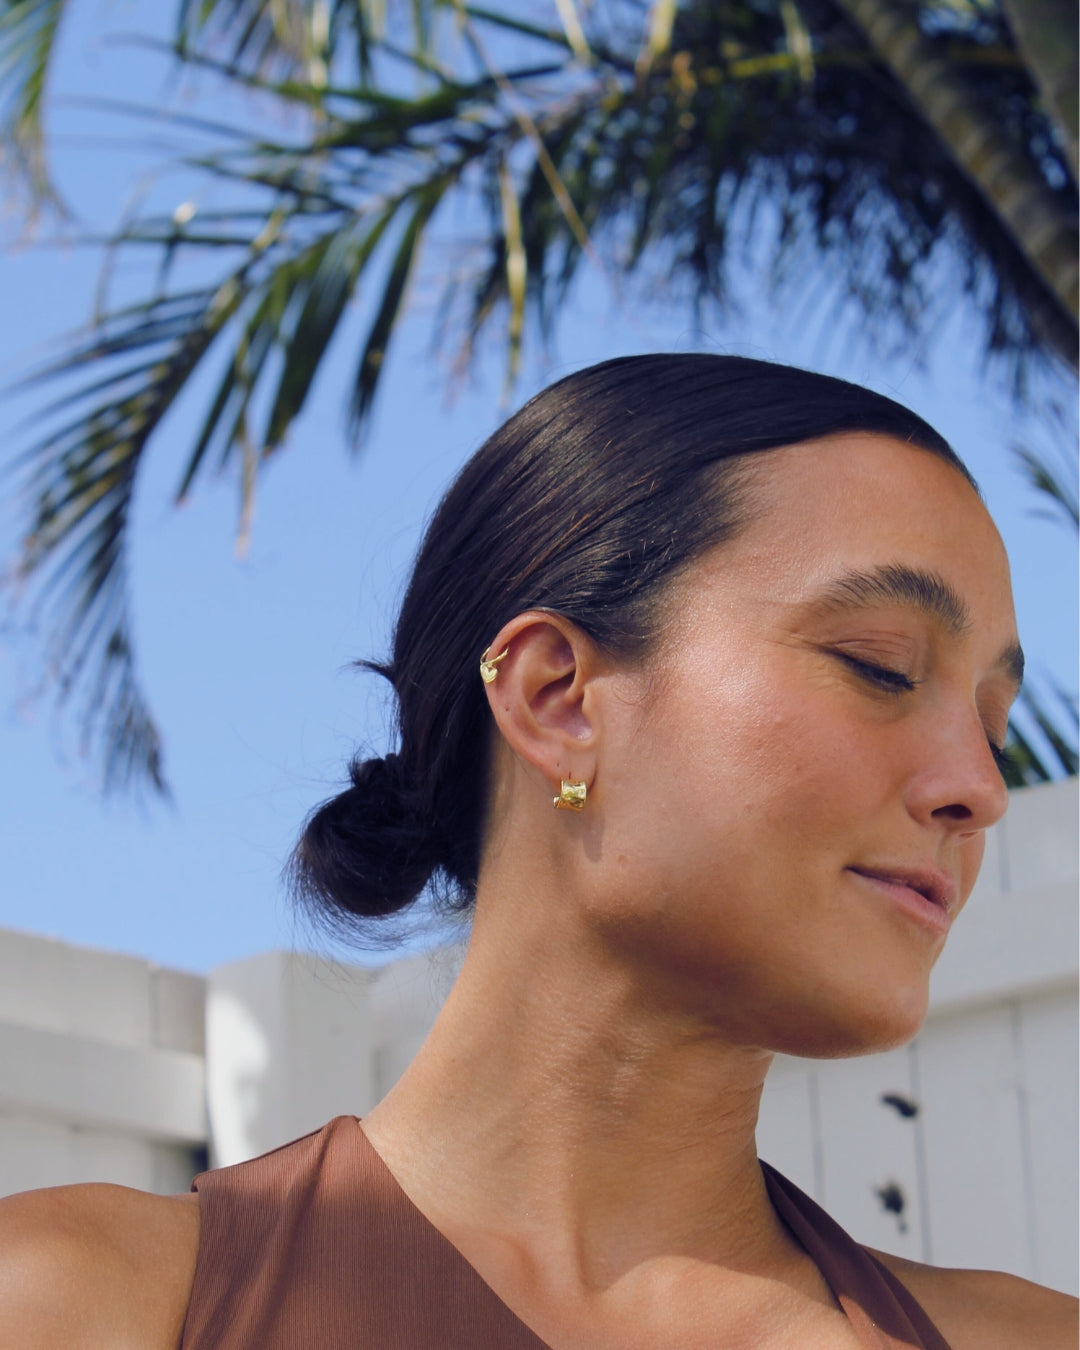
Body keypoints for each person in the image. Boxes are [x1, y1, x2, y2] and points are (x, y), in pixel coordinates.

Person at [1, 355, 1075, 1349]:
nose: (979, 787)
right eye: (879, 665)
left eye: (992, 719)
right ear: (556, 700)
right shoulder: (78, 1304)